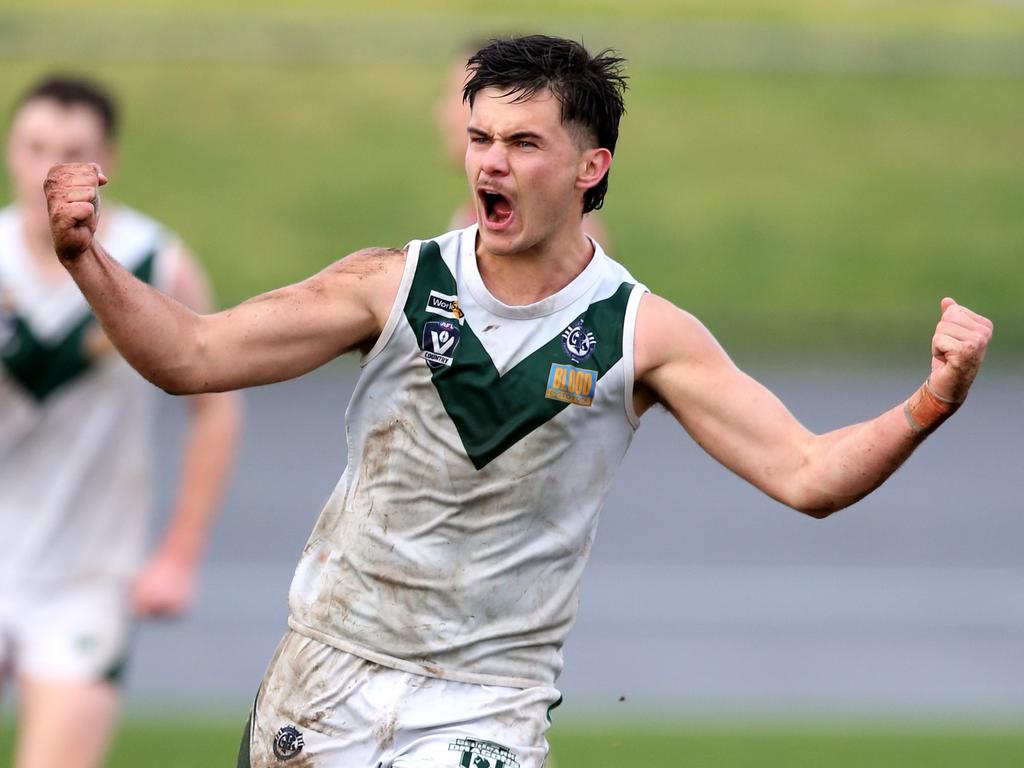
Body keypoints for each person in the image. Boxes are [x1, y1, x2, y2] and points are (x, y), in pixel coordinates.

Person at [43, 36, 991, 768]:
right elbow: (192, 356)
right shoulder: (391, 284)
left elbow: (807, 473)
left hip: (485, 701)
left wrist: (930, 401)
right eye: (480, 139)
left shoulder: (642, 334)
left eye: (523, 143)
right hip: (325, 668)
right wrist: (87, 259)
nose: (490, 164)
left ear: (591, 167)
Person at [1, 76, 242, 768]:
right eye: (35, 147)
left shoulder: (153, 262)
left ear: (106, 160)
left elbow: (215, 407)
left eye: (72, 152)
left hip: (86, 576)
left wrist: (179, 553)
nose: (49, 168)